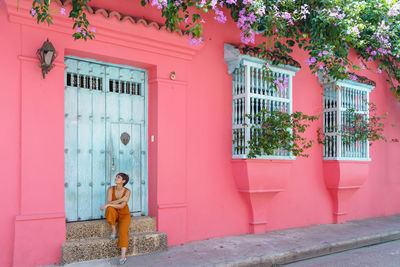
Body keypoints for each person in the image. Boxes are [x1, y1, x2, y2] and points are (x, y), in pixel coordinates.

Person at [100, 173, 131, 265]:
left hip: (124, 213)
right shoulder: (110, 189)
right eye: (116, 176)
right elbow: (109, 202)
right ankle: (113, 230)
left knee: (123, 232)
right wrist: (121, 200)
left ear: (123, 181)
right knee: (109, 209)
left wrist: (109, 204)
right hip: (114, 212)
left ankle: (123, 256)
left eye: (119, 177)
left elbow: (122, 206)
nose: (116, 178)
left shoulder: (127, 191)